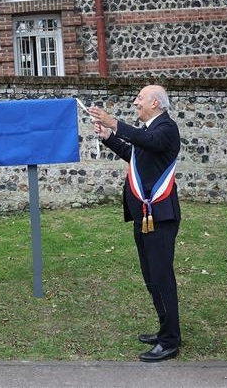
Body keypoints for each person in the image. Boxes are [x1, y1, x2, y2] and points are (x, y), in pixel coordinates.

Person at [89, 85, 182, 362]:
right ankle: (166, 328)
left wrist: (114, 122)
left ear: (155, 103)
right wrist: (108, 136)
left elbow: (148, 141)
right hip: (144, 216)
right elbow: (135, 154)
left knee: (162, 277)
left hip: (160, 217)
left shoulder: (166, 128)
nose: (135, 102)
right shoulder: (149, 133)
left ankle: (170, 341)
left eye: (140, 99)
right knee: (151, 277)